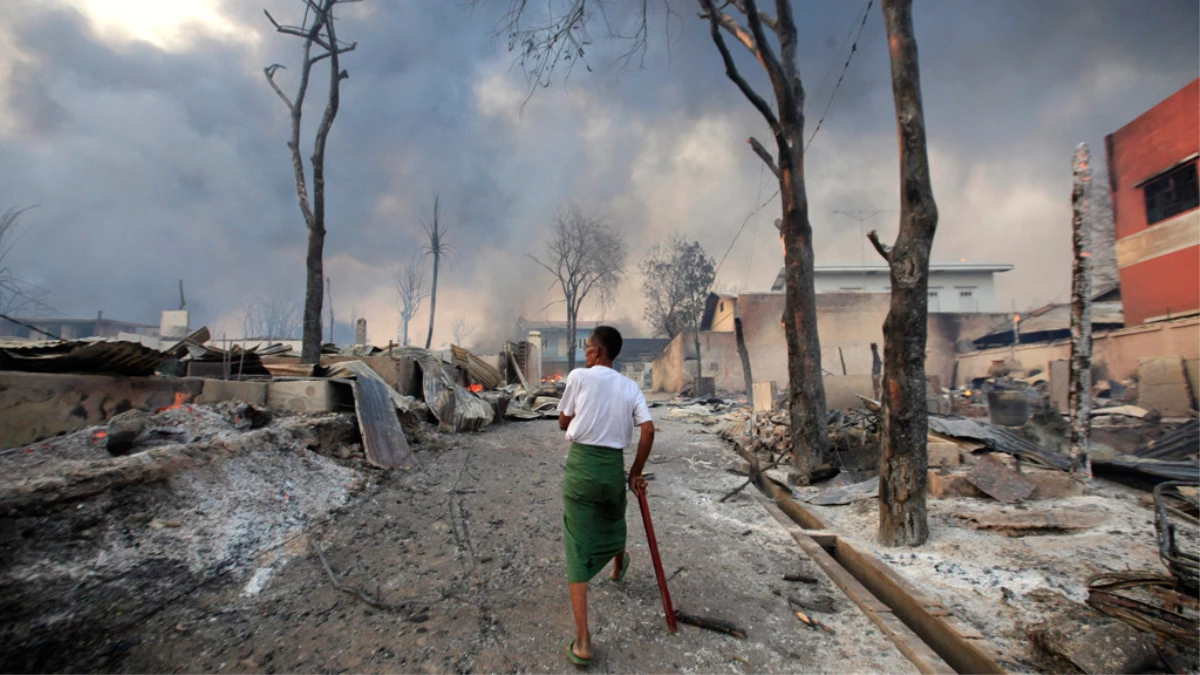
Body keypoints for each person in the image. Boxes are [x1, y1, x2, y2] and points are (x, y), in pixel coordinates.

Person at [556, 325, 655, 667]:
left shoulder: (579, 376)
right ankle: (616, 568)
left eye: (587, 348)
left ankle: (583, 643)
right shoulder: (630, 387)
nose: (585, 353)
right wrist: (636, 471)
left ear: (597, 352)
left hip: (582, 468)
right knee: (614, 514)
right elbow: (649, 429)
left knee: (576, 542)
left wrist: (575, 416)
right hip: (613, 469)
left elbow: (562, 421)